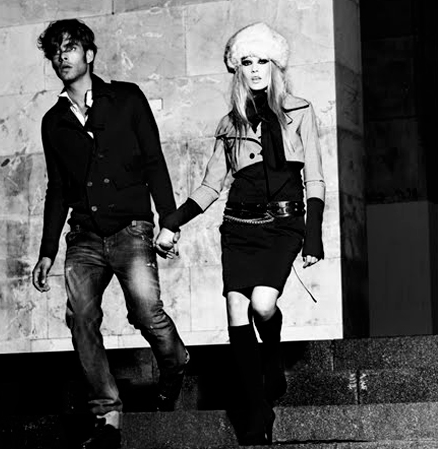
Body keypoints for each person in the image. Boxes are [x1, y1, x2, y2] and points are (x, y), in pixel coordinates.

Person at [155, 22, 325, 445]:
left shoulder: (300, 111)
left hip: (284, 224)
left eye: (262, 61)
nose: (254, 69)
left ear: (275, 65)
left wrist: (314, 235)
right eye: (246, 62)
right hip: (239, 227)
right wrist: (172, 221)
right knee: (236, 307)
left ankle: (272, 357)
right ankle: (257, 410)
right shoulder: (230, 124)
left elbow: (316, 179)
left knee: (264, 305)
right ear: (237, 69)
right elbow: (210, 186)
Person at [32, 18, 189, 449]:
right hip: (83, 236)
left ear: (89, 54)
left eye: (69, 48)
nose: (62, 57)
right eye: (55, 51)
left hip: (131, 228)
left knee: (146, 312)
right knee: (80, 317)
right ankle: (107, 413)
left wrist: (170, 220)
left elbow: (154, 160)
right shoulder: (53, 122)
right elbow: (57, 188)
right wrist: (47, 250)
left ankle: (175, 362)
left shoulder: (126, 98)